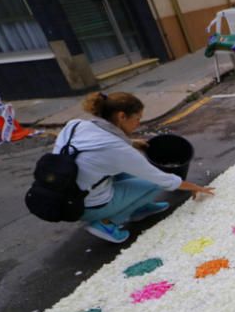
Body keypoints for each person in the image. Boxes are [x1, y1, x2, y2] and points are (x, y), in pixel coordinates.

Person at [57, 92, 214, 243]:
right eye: (137, 119)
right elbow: (161, 179)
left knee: (128, 173)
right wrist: (195, 187)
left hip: (64, 192)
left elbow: (95, 147)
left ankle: (139, 208)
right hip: (85, 206)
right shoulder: (117, 149)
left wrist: (131, 142)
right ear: (121, 116)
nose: (138, 124)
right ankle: (107, 223)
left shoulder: (76, 125)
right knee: (153, 184)